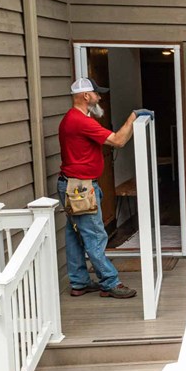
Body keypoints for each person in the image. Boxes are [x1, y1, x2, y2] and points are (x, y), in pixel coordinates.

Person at [58, 77, 138, 299]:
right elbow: (119, 141)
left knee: (75, 235)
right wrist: (133, 117)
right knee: (95, 235)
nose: (100, 97)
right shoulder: (81, 121)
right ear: (85, 96)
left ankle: (79, 282)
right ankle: (110, 282)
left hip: (73, 184)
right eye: (96, 93)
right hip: (79, 187)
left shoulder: (75, 118)